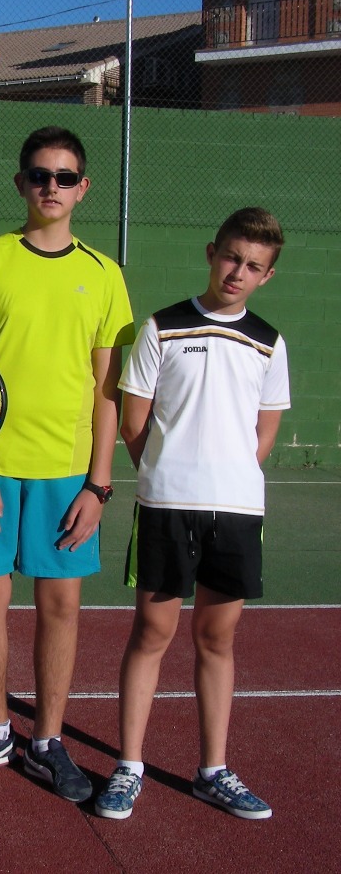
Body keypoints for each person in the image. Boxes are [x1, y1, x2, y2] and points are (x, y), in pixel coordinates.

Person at [0, 127, 135, 804]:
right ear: (20, 183)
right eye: (39, 174)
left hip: (66, 475)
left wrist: (99, 485)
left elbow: (106, 388)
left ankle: (47, 741)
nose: (50, 186)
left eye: (64, 176)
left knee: (60, 607)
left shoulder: (104, 274)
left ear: (82, 187)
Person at [94, 208, 288, 821]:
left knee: (216, 638)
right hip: (167, 508)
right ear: (212, 252)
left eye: (253, 266)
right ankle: (128, 767)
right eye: (232, 257)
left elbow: (264, 433)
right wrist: (168, 472)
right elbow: (133, 421)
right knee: (152, 634)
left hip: (236, 512)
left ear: (267, 275)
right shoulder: (162, 328)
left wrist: (228, 477)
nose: (238, 272)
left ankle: (213, 770)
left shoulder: (268, 341)